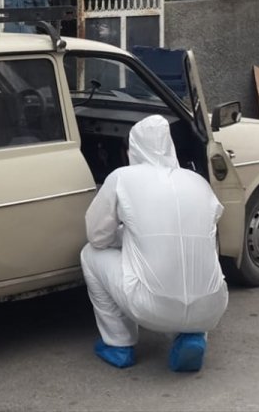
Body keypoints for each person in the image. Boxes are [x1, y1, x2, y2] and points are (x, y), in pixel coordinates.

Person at [80, 115, 228, 372]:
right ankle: (192, 336)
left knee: (89, 254)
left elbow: (97, 236)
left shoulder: (122, 177)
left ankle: (118, 345)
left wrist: (126, 238)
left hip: (150, 307)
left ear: (132, 149)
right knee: (197, 255)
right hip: (213, 306)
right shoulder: (198, 182)